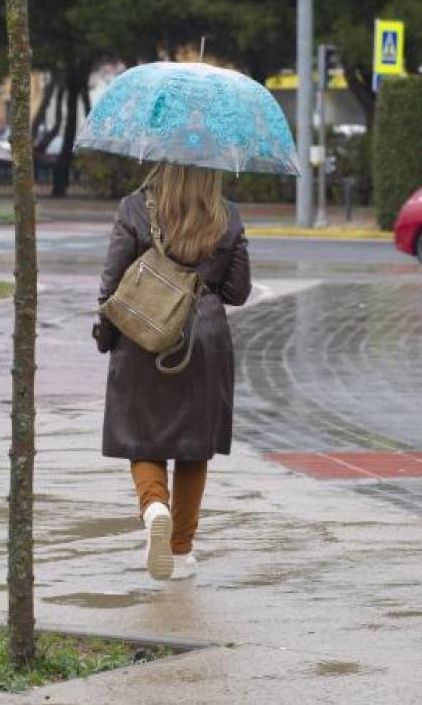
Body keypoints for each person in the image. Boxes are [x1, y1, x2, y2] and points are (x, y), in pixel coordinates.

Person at [95, 163, 252, 581]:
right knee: (193, 447)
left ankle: (154, 507)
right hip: (205, 340)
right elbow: (238, 291)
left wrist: (106, 334)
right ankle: (180, 550)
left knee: (141, 437)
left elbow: (111, 283)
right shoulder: (227, 214)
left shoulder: (133, 208)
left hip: (144, 336)